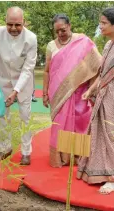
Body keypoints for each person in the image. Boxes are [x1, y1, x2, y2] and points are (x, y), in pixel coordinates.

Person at [43, 14, 102, 168]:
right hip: (58, 93)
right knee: (60, 124)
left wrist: (91, 88)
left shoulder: (83, 41)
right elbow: (47, 71)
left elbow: (96, 64)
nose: (60, 34)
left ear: (69, 26)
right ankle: (61, 158)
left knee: (79, 123)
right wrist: (44, 92)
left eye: (63, 30)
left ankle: (78, 157)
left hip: (80, 92)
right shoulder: (51, 46)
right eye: (57, 32)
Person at [0, 6, 37, 165]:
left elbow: (28, 68)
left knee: (25, 118)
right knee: (2, 117)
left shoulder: (31, 38)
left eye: (18, 25)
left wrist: (16, 90)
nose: (13, 28)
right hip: (1, 81)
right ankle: (5, 148)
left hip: (24, 84)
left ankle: (26, 152)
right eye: (10, 24)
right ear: (5, 22)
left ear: (24, 22)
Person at [77, 7, 114, 195]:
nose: (100, 26)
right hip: (103, 94)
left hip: (113, 96)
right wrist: (90, 90)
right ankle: (101, 171)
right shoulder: (108, 46)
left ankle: (112, 178)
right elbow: (102, 74)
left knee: (111, 135)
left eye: (104, 23)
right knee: (100, 133)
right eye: (100, 22)